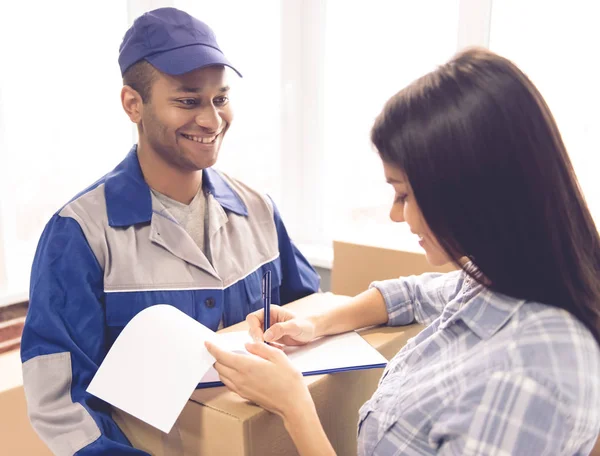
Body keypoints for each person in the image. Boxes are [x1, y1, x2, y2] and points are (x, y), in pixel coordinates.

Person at [206, 47, 600, 455]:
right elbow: (413, 294)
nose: (396, 214)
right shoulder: (500, 279)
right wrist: (317, 325)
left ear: (471, 192)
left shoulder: (530, 379)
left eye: (404, 194)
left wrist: (295, 407)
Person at [20, 7, 320, 455]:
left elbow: (307, 330)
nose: (212, 120)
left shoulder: (259, 210)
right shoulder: (79, 234)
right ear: (132, 104)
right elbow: (59, 405)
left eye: (220, 98)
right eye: (188, 100)